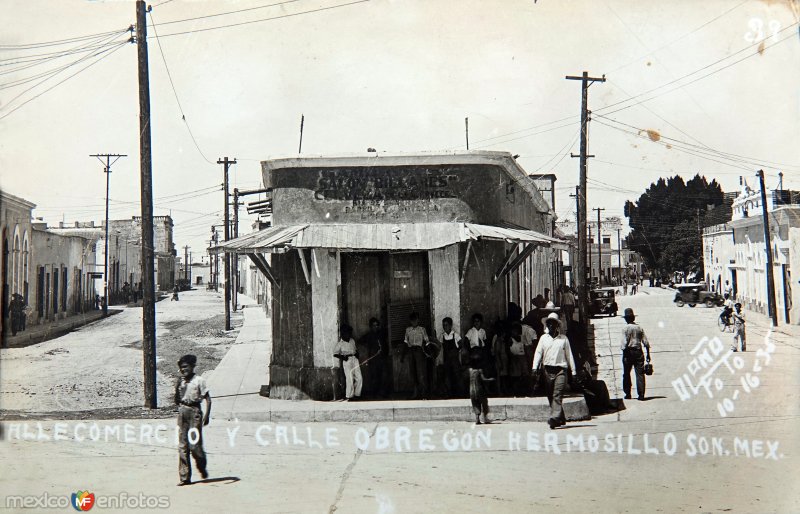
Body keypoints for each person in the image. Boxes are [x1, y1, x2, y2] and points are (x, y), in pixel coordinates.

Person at [532, 313, 576, 429]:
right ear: (547, 325)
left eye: (554, 323)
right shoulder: (543, 338)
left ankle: (554, 418)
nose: (551, 325)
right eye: (549, 323)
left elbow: (569, 355)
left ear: (557, 325)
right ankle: (560, 417)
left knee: (557, 395)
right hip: (547, 370)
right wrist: (534, 367)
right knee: (550, 396)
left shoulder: (564, 339)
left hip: (561, 370)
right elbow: (538, 353)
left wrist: (574, 372)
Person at [174, 354, 211, 486]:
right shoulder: (181, 381)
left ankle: (201, 464)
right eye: (181, 368)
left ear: (192, 366)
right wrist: (178, 386)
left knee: (194, 445)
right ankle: (185, 477)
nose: (183, 370)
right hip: (183, 411)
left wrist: (206, 416)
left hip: (195, 412)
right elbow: (176, 400)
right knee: (182, 445)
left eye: (186, 367)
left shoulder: (199, 380)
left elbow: (207, 398)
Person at [620, 308, 651, 401]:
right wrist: (648, 354)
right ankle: (641, 394)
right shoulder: (639, 328)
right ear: (633, 318)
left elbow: (624, 343)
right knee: (640, 374)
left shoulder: (625, 328)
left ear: (626, 319)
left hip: (628, 352)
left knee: (626, 374)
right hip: (638, 352)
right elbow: (646, 342)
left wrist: (624, 353)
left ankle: (628, 393)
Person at [403, 312, 430, 400]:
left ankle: (423, 394)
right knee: (413, 372)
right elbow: (406, 342)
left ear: (418, 320)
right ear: (410, 321)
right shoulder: (408, 330)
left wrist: (429, 353)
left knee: (420, 373)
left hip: (419, 352)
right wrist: (403, 355)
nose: (414, 322)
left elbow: (427, 342)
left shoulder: (422, 329)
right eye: (412, 320)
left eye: (416, 320)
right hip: (411, 351)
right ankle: (415, 393)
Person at [438, 317, 465, 398]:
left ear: (450, 325)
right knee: (447, 377)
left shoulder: (455, 335)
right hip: (446, 360)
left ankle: (460, 394)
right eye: (443, 325)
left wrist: (456, 351)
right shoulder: (442, 336)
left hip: (455, 360)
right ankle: (449, 394)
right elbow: (439, 347)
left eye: (446, 325)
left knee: (457, 376)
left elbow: (461, 345)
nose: (444, 327)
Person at [333, 324, 362, 401]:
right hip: (347, 360)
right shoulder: (340, 343)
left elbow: (355, 349)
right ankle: (349, 396)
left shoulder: (352, 340)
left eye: (350, 333)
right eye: (347, 333)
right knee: (349, 378)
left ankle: (357, 394)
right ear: (343, 333)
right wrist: (343, 357)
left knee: (359, 378)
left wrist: (357, 353)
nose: (349, 335)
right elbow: (335, 354)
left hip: (355, 359)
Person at [357, 318, 384, 398]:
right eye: (373, 325)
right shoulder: (368, 335)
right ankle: (374, 393)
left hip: (381, 358)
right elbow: (359, 341)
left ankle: (381, 393)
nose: (375, 327)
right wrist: (367, 346)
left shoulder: (380, 334)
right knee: (373, 375)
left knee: (381, 375)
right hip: (372, 358)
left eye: (377, 325)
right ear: (370, 326)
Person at [468, 347, 495, 424]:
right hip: (479, 390)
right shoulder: (479, 371)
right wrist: (491, 379)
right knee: (484, 402)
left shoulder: (470, 371)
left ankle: (477, 419)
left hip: (472, 391)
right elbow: (483, 379)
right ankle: (486, 418)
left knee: (475, 403)